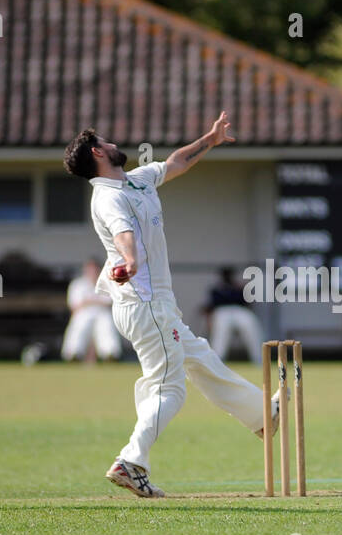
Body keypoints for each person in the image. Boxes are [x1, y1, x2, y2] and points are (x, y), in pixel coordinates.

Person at [63, 112, 280, 498]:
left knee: (199, 356)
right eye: (108, 142)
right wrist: (129, 261)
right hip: (144, 303)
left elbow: (175, 162)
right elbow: (123, 233)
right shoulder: (109, 197)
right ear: (98, 152)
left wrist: (209, 140)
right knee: (170, 388)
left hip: (157, 305)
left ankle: (263, 415)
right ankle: (131, 461)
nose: (116, 144)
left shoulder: (137, 181)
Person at [61, 258, 121, 362]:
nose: (93, 272)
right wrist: (93, 301)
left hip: (102, 313)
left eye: (95, 269)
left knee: (106, 326)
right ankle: (73, 354)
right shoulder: (77, 284)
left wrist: (89, 301)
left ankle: (110, 354)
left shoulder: (107, 282)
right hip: (83, 313)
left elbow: (110, 303)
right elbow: (74, 306)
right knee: (80, 324)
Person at [204, 267, 263, 364]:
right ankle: (217, 360)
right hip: (222, 312)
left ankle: (259, 359)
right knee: (221, 330)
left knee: (250, 323)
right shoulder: (216, 290)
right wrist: (209, 321)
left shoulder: (239, 288)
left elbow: (248, 303)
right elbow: (210, 307)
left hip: (239, 311)